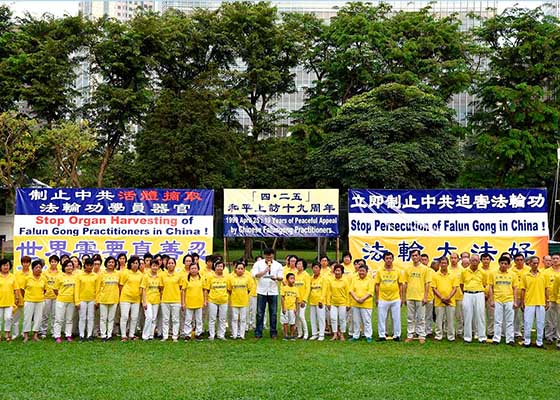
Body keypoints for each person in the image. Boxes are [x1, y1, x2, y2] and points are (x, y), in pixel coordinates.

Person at [252, 248, 283, 339]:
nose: (269, 258)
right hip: (261, 291)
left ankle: (273, 333)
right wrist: (264, 271)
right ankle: (258, 332)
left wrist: (276, 277)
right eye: (267, 257)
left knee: (273, 313)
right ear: (264, 256)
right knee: (260, 313)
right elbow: (255, 275)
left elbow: (282, 277)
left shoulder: (278, 265)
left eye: (270, 256)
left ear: (273, 255)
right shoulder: (258, 264)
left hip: (273, 291)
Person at [520, 256, 549, 348]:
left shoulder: (543, 275)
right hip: (529, 302)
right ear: (529, 263)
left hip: (541, 302)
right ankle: (527, 341)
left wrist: (547, 300)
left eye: (537, 263)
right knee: (528, 322)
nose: (535, 265)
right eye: (533, 263)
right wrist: (522, 302)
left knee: (540, 323)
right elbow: (523, 290)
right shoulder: (525, 275)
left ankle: (539, 342)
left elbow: (546, 288)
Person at [488, 255, 517, 345]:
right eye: (502, 263)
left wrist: (515, 301)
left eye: (505, 264)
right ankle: (496, 338)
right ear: (499, 264)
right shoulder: (493, 274)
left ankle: (510, 339)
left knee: (509, 320)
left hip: (509, 299)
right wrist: (491, 300)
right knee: (497, 320)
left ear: (508, 265)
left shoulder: (513, 274)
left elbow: (515, 288)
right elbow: (490, 287)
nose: (503, 265)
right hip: (497, 299)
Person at [404, 250, 431, 344]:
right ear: (411, 257)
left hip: (420, 297)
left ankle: (421, 335)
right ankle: (410, 335)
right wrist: (404, 297)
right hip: (410, 296)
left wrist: (425, 297)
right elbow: (405, 284)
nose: (414, 257)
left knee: (421, 317)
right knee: (410, 317)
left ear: (419, 257)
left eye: (416, 255)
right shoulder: (408, 269)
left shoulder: (425, 269)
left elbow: (427, 284)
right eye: (413, 255)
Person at [375, 252, 403, 341]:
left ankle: (397, 335)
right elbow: (377, 285)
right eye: (387, 258)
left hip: (395, 298)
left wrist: (401, 298)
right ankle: (382, 335)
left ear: (393, 259)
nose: (388, 260)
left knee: (396, 318)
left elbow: (400, 284)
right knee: (381, 318)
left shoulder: (397, 271)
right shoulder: (380, 271)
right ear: (384, 259)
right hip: (383, 298)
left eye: (390, 258)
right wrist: (377, 297)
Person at [460, 253, 488, 343]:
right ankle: (467, 337)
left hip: (479, 294)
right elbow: (461, 284)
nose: (474, 262)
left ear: (479, 262)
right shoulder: (464, 272)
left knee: (480, 315)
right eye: (472, 260)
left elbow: (484, 284)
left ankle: (482, 337)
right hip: (467, 294)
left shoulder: (483, 272)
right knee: (467, 315)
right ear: (470, 261)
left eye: (476, 260)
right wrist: (465, 292)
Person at [431, 257, 458, 342]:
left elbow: (455, 288)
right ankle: (439, 335)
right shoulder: (435, 275)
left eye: (445, 263)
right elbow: (434, 288)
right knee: (439, 320)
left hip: (450, 301)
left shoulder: (453, 275)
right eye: (442, 263)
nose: (443, 265)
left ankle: (450, 336)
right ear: (439, 264)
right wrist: (442, 298)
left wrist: (448, 297)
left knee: (450, 320)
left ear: (448, 264)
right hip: (439, 301)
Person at [204, 260, 230, 340]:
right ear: (215, 267)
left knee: (222, 319)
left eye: (221, 266)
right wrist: (206, 300)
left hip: (223, 301)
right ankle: (212, 335)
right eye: (218, 266)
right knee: (212, 318)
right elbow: (206, 289)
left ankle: (221, 334)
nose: (219, 268)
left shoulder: (226, 277)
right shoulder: (210, 277)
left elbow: (229, 289)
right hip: (212, 300)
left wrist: (226, 297)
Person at [159, 257, 185, 342]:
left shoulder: (179, 275)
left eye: (172, 263)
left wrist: (181, 301)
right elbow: (161, 288)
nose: (170, 265)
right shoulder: (163, 275)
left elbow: (181, 288)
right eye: (169, 263)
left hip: (176, 300)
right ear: (166, 265)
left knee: (175, 319)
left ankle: (175, 336)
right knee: (165, 319)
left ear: (175, 264)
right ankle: (165, 336)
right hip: (165, 300)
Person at [22, 260, 47, 342]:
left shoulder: (43, 278)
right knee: (27, 318)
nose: (38, 269)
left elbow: (45, 289)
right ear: (32, 269)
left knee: (38, 318)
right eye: (36, 267)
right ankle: (26, 336)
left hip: (40, 301)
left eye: (40, 267)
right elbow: (22, 289)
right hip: (29, 301)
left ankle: (35, 335)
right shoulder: (27, 278)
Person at [119, 255, 143, 341]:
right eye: (134, 263)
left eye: (137, 263)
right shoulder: (125, 272)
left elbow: (142, 286)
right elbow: (121, 285)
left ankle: (131, 334)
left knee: (134, 317)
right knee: (124, 316)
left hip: (136, 299)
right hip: (125, 298)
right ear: (130, 264)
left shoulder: (140, 274)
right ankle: (123, 335)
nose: (135, 265)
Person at [53, 260, 77, 343]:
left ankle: (68, 335)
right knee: (59, 319)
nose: (69, 267)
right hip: (61, 300)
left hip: (71, 301)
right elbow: (55, 289)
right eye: (67, 266)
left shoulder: (75, 277)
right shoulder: (60, 277)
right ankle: (57, 336)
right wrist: (62, 295)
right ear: (64, 267)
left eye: (71, 266)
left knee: (69, 319)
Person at [229, 261, 254, 340]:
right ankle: (234, 334)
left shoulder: (248, 278)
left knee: (243, 318)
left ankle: (242, 334)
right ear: (235, 269)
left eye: (241, 269)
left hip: (244, 301)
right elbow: (229, 289)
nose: (240, 270)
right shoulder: (231, 278)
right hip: (234, 301)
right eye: (238, 268)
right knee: (234, 318)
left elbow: (249, 289)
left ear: (244, 270)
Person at [349, 264, 374, 342]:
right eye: (360, 271)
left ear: (366, 272)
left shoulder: (370, 280)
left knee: (366, 320)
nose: (361, 272)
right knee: (356, 321)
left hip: (366, 304)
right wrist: (356, 299)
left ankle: (368, 335)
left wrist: (362, 299)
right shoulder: (355, 279)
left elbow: (370, 292)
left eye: (363, 271)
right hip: (355, 303)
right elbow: (351, 290)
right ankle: (356, 336)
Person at [97, 256, 119, 341]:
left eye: (113, 262)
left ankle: (109, 335)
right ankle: (103, 335)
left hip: (114, 299)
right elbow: (98, 288)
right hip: (103, 299)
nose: (111, 264)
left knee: (111, 318)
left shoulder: (117, 274)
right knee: (103, 318)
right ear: (106, 263)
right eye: (109, 262)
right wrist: (97, 300)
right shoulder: (101, 274)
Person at [75, 258, 97, 341]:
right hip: (82, 300)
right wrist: (77, 301)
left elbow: (97, 289)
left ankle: (89, 335)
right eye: (87, 265)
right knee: (82, 317)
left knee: (91, 317)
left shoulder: (95, 276)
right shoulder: (79, 276)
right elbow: (76, 289)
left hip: (92, 300)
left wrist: (97, 301)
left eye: (91, 265)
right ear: (85, 265)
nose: (89, 267)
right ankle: (81, 335)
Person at [326, 264, 349, 341]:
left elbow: (347, 293)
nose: (337, 272)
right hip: (333, 303)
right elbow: (328, 292)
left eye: (339, 271)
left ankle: (342, 334)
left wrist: (348, 304)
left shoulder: (345, 281)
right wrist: (328, 303)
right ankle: (335, 334)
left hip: (343, 303)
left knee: (342, 319)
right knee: (333, 318)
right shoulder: (331, 281)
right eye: (336, 270)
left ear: (342, 272)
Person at [40, 255, 60, 338]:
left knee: (55, 315)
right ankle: (43, 331)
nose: (53, 263)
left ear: (57, 263)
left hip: (56, 297)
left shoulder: (60, 273)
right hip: (47, 296)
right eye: (52, 262)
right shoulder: (44, 273)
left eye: (55, 262)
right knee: (45, 315)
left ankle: (53, 331)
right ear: (49, 263)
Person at [141, 260, 162, 341]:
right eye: (153, 266)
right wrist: (144, 302)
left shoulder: (159, 277)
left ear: (158, 267)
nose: (155, 267)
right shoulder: (146, 276)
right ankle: (145, 335)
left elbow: (160, 288)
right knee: (149, 317)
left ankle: (151, 335)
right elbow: (143, 289)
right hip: (148, 300)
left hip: (156, 300)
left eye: (156, 266)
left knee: (154, 318)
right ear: (150, 266)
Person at [183, 262, 204, 341]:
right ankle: (187, 334)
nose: (194, 270)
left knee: (199, 319)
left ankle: (198, 334)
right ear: (189, 270)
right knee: (188, 320)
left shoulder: (201, 278)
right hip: (189, 302)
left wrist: (205, 301)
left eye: (195, 268)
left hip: (199, 302)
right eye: (192, 268)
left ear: (198, 269)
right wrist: (183, 302)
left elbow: (204, 290)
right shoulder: (186, 279)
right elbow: (183, 291)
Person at [12, 256, 32, 340]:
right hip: (18, 299)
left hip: (29, 299)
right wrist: (16, 298)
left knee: (27, 318)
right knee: (15, 318)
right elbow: (14, 286)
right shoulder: (16, 274)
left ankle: (24, 333)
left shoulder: (32, 274)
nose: (25, 264)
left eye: (27, 262)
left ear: (30, 263)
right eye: (24, 262)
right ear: (21, 263)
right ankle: (15, 334)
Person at [0, 258, 19, 341]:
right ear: (0, 266)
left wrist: (17, 298)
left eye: (7, 265)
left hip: (9, 301)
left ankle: (7, 334)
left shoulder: (12, 276)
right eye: (4, 265)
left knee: (8, 318)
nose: (6, 267)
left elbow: (16, 289)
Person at [512, 253, 530, 339]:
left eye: (521, 260)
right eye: (517, 260)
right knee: (514, 315)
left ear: (524, 260)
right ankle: (515, 332)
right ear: (514, 261)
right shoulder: (510, 270)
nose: (519, 262)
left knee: (526, 316)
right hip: (514, 296)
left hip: (526, 296)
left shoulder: (528, 270)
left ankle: (526, 333)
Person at [544, 253, 560, 344]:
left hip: (558, 299)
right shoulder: (545, 272)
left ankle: (557, 336)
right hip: (549, 298)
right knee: (549, 319)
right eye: (553, 258)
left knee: (558, 319)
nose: (555, 260)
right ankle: (549, 336)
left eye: (557, 258)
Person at [308, 262, 327, 341]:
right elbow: (309, 289)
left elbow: (324, 290)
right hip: (312, 301)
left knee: (321, 318)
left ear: (320, 269)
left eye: (317, 268)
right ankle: (314, 333)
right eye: (314, 268)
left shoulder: (323, 278)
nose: (315, 270)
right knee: (313, 318)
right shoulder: (311, 278)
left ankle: (321, 334)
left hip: (320, 302)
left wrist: (321, 300)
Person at [294, 258, 310, 340]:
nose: (298, 265)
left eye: (300, 264)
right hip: (295, 300)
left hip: (302, 300)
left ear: (303, 266)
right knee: (297, 317)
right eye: (297, 264)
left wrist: (304, 300)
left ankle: (306, 333)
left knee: (301, 316)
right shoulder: (295, 275)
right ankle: (300, 334)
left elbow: (308, 288)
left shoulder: (306, 275)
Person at [449, 252, 464, 337]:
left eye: (455, 258)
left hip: (459, 296)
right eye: (451, 258)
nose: (453, 260)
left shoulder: (462, 270)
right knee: (448, 317)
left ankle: (459, 332)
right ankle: (447, 331)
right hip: (449, 296)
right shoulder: (446, 269)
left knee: (459, 316)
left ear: (458, 259)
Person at [281, 273, 299, 340]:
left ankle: (292, 335)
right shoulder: (284, 288)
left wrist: (296, 308)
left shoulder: (295, 289)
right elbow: (282, 298)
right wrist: (283, 308)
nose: (293, 280)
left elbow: (297, 299)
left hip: (292, 308)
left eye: (294, 278)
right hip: (286, 308)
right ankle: (285, 335)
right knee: (285, 322)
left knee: (292, 322)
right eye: (291, 278)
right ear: (287, 279)